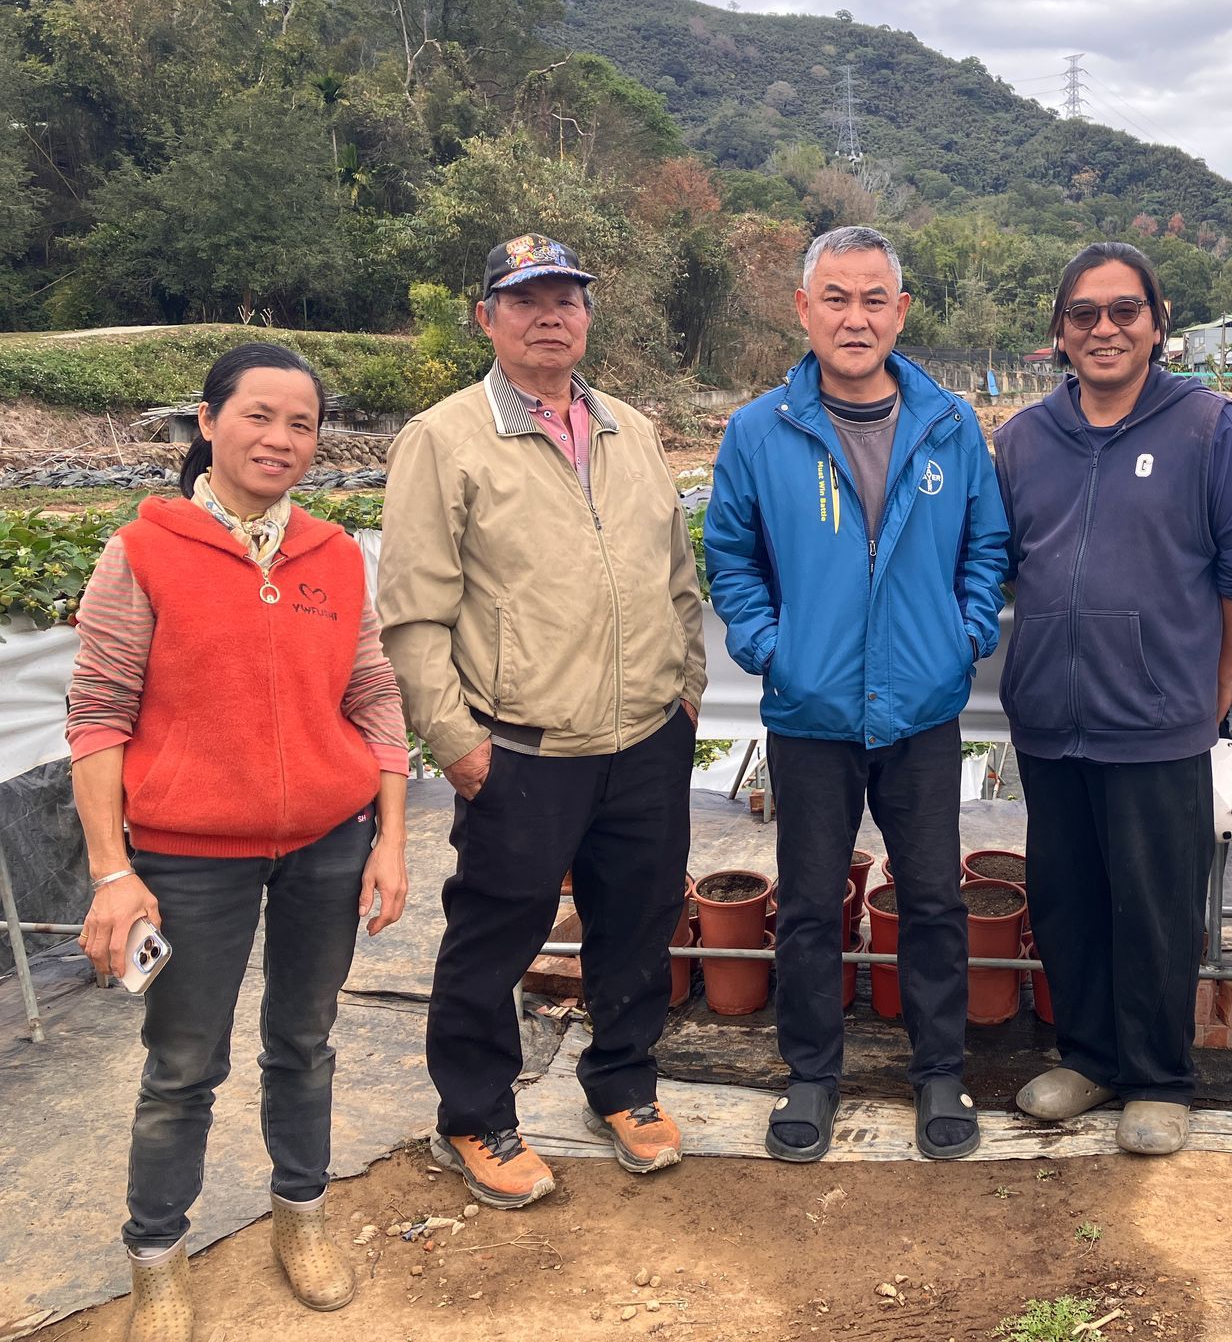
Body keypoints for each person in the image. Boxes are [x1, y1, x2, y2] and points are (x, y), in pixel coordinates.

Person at [70, 343, 409, 1334]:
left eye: (301, 424)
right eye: (259, 415)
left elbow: (373, 691)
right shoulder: (142, 552)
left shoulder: (338, 555)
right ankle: (158, 1261)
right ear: (209, 423)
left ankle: (301, 1217)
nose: (281, 439)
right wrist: (110, 872)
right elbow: (97, 713)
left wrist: (389, 837)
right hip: (187, 858)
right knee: (183, 1064)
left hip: (327, 845)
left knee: (303, 1043)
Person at [379, 234, 707, 1207]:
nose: (549, 315)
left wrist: (685, 689)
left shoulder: (632, 432)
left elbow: (677, 580)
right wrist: (460, 745)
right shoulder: (444, 439)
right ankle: (475, 1115)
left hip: (646, 736)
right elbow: (411, 615)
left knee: (637, 925)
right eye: (524, 301)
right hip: (520, 748)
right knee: (494, 934)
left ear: (590, 316)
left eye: (566, 298)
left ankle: (624, 1083)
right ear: (487, 318)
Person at [705, 225, 1008, 1162]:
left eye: (875, 299)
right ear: (803, 309)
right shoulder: (762, 429)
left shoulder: (949, 426)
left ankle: (939, 1073)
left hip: (920, 712)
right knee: (804, 901)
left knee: (932, 899)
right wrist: (774, 650)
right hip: (812, 713)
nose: (855, 316)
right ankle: (811, 1075)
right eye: (835, 297)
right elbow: (732, 559)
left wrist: (960, 641)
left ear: (902, 312)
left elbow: (986, 552)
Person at [996, 241, 1232, 1155]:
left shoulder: (1209, 427)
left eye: (1125, 310)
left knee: (1157, 905)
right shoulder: (1024, 439)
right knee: (1069, 898)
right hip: (1050, 715)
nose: (1104, 329)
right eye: (1083, 313)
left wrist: (1218, 676)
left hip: (1160, 719)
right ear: (1059, 332)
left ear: (1158, 325)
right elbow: (1001, 565)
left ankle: (1158, 1076)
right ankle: (1087, 1058)